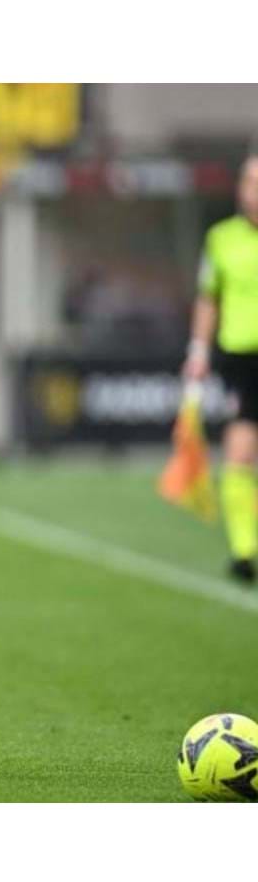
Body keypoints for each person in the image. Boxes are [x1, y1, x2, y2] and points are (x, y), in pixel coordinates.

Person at [184, 154, 258, 585]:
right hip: (242, 358)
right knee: (240, 450)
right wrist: (198, 350)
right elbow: (208, 298)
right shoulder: (221, 239)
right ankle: (244, 550)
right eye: (249, 181)